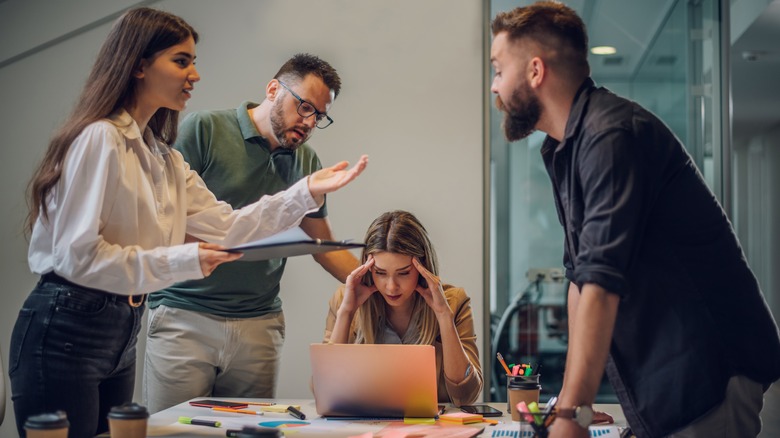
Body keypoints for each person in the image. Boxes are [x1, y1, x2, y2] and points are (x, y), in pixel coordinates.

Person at [9, 7, 367, 438]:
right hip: (67, 323)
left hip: (122, 327)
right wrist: (186, 260)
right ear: (138, 64)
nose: (194, 75)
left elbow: (229, 227)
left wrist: (306, 191)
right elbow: (78, 258)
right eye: (182, 61)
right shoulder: (100, 138)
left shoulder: (163, 157)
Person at [490, 2, 780, 437]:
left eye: (498, 69)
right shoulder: (565, 148)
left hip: (711, 375)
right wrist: (571, 409)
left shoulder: (611, 136)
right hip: (668, 384)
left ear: (535, 71)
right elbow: (580, 281)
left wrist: (571, 415)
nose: (494, 87)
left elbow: (602, 284)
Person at [143, 53, 360, 413]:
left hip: (258, 323)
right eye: (304, 107)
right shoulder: (204, 130)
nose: (308, 122)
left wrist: (373, 280)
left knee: (251, 432)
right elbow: (164, 220)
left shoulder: (306, 161)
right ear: (273, 89)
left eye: (319, 116)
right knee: (173, 431)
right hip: (185, 313)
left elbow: (321, 244)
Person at [323, 210, 483, 406]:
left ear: (422, 267)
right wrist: (346, 313)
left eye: (404, 273)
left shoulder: (454, 302)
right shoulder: (345, 300)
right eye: (380, 273)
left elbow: (466, 396)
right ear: (367, 268)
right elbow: (326, 392)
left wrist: (443, 316)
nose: (391, 286)